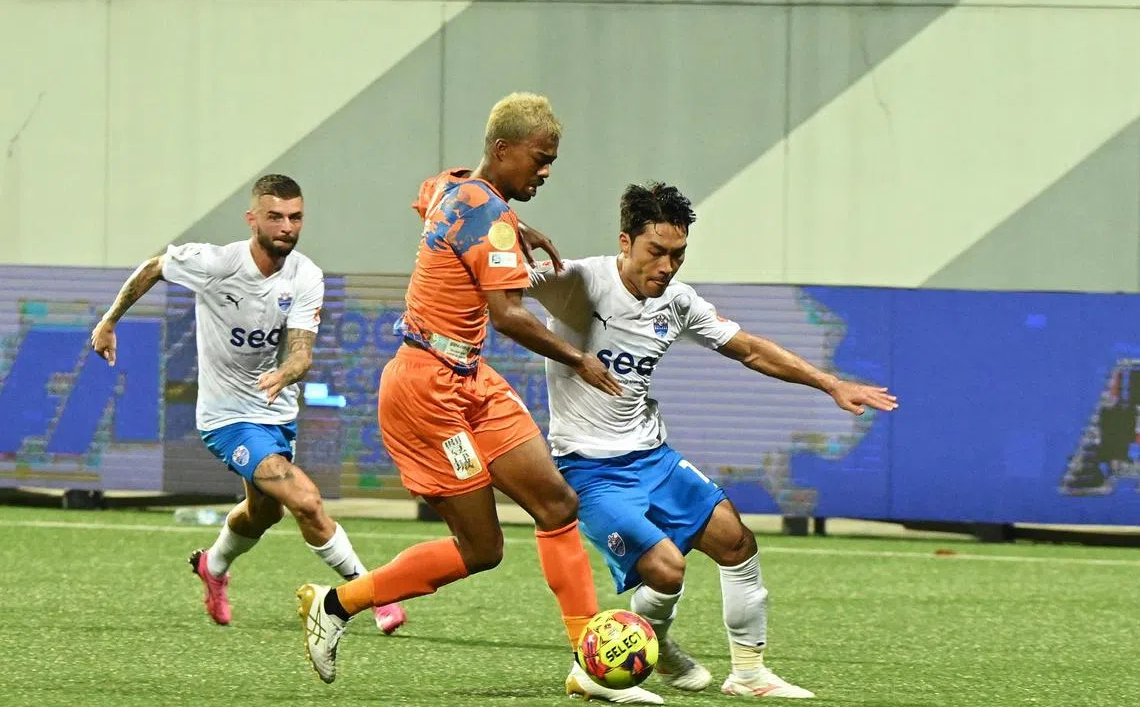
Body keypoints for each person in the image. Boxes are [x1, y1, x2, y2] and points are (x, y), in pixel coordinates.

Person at [295, 94, 663, 704]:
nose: (547, 171)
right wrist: (579, 358)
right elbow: (509, 315)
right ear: (502, 149)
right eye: (540, 159)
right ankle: (336, 604)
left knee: (557, 504)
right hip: (426, 392)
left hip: (471, 379)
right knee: (482, 549)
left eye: (552, 160)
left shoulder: (456, 186)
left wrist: (517, 226)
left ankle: (588, 666)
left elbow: (438, 198)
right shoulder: (488, 215)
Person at [526, 181, 900, 699]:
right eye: (656, 251)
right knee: (667, 570)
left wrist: (829, 382)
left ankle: (748, 675)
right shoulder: (578, 283)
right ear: (625, 242)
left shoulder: (677, 302)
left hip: (652, 456)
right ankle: (645, 649)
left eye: (678, 254)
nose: (667, 266)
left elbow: (750, 350)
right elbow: (497, 289)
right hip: (590, 468)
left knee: (736, 542)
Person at [90, 173, 406, 633]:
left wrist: (286, 373)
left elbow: (301, 352)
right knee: (305, 501)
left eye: (295, 217)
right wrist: (109, 321)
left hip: (277, 412)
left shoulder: (306, 276)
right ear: (252, 218)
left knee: (264, 512)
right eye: (275, 217)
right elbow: (154, 267)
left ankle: (213, 567)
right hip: (227, 418)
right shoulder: (216, 263)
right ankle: (372, 595)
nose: (287, 227)